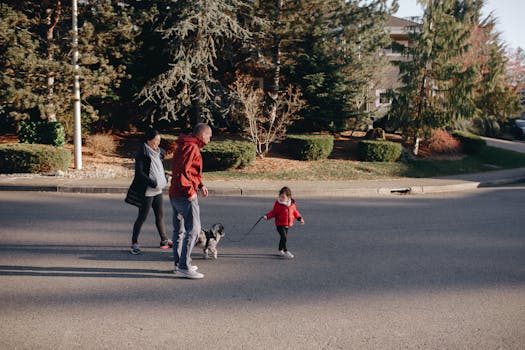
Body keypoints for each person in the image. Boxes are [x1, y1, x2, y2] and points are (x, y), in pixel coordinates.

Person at [169, 123, 212, 279]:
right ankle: (184, 266)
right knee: (193, 229)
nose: (210, 138)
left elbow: (189, 170)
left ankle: (179, 263)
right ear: (201, 135)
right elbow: (182, 171)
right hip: (183, 193)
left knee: (179, 230)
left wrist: (200, 185)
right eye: (209, 135)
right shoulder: (192, 147)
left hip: (176, 192)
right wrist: (190, 192)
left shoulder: (187, 144)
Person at [125, 128, 171, 255]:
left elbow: (159, 168)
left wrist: (165, 178)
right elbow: (139, 173)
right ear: (148, 140)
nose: (157, 143)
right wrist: (153, 182)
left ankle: (164, 240)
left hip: (158, 191)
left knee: (160, 216)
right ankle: (134, 243)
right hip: (148, 191)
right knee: (142, 217)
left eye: (159, 141)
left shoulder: (159, 152)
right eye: (155, 140)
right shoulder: (142, 153)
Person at [263, 186, 304, 259]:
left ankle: (280, 249)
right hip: (279, 224)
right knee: (284, 237)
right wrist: (267, 216)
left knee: (283, 238)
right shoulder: (278, 204)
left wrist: (300, 218)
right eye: (280, 196)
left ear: (289, 197)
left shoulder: (292, 204)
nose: (281, 198)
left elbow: (295, 212)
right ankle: (285, 251)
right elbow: (273, 212)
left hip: (287, 224)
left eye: (283, 197)